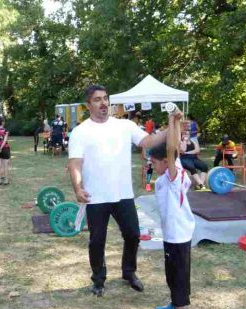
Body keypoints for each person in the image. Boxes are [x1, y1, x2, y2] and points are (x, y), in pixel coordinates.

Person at [68, 84, 178, 297]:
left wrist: (170, 127)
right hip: (96, 197)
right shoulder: (80, 132)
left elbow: (147, 141)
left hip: (123, 195)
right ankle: (98, 279)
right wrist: (78, 187)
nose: (103, 103)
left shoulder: (125, 126)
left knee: (132, 235)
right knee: (97, 240)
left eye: (105, 98)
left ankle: (129, 273)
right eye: (98, 100)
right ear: (88, 105)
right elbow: (75, 163)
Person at [149, 114, 194, 309]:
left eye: (154, 162)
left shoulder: (174, 177)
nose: (151, 165)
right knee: (172, 274)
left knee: (179, 276)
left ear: (166, 162)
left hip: (179, 235)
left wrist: (169, 121)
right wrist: (175, 123)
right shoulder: (168, 173)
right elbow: (173, 148)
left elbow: (170, 149)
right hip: (171, 235)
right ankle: (175, 305)